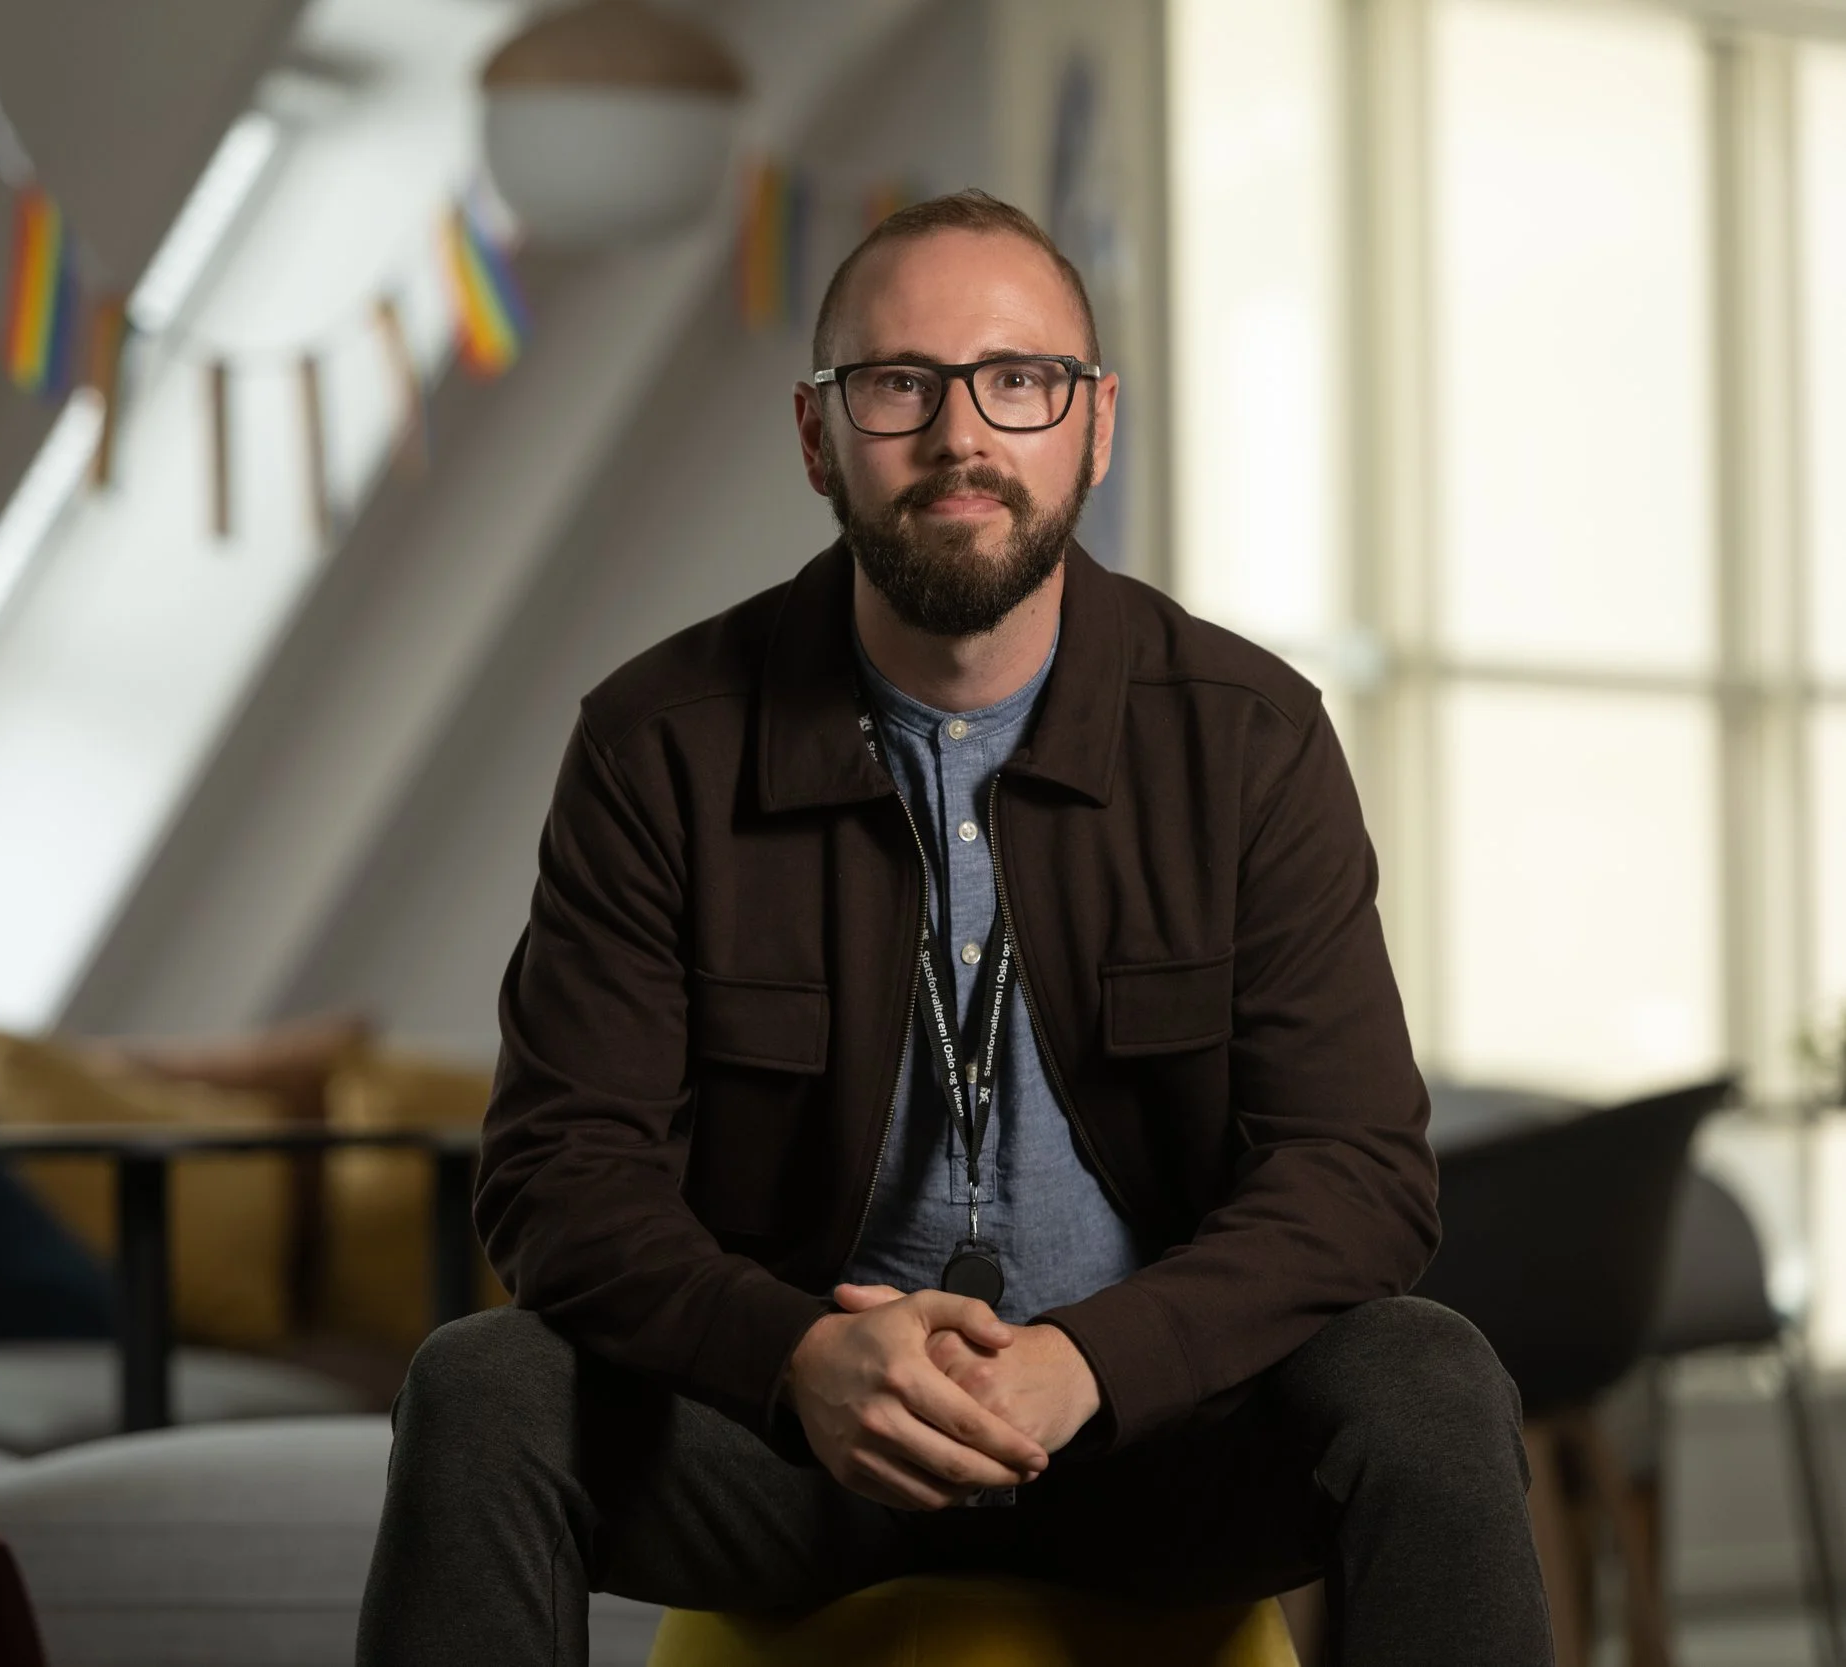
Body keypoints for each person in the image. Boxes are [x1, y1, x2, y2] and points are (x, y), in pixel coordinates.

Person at [356, 190, 1550, 1667]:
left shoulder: (1250, 738)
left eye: (1019, 380)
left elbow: (1357, 1174)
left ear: (1094, 425)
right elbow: (559, 1176)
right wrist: (797, 1356)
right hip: (798, 1442)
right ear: (818, 435)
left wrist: (1092, 1360)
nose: (961, 436)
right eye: (899, 384)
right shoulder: (656, 743)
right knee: (482, 1389)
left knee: (1428, 1379)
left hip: (1146, 1439)